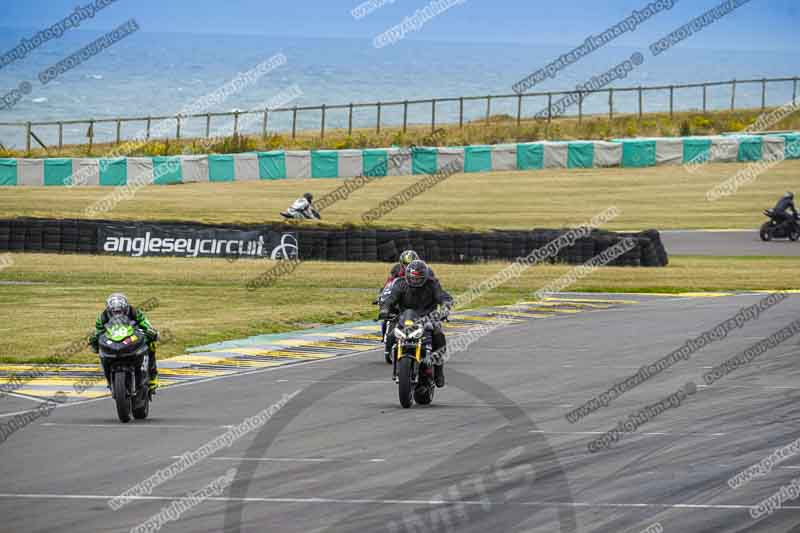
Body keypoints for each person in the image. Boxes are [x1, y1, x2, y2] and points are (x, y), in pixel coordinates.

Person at [379, 260, 452, 387]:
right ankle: (395, 360)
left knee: (438, 334)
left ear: (425, 277)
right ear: (407, 276)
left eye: (419, 278)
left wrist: (445, 307)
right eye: (413, 277)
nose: (415, 280)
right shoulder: (400, 284)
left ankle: (439, 370)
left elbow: (443, 296)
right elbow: (390, 298)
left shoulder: (432, 284)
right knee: (391, 335)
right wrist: (385, 309)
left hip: (428, 318)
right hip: (405, 318)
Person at [90, 293, 160, 392]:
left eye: (120, 309)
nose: (117, 312)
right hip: (113, 339)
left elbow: (145, 323)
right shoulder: (103, 316)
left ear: (125, 307)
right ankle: (109, 378)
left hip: (132, 337)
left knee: (151, 344)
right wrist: (94, 339)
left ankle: (152, 377)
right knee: (100, 348)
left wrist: (151, 331)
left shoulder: (134, 312)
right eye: (114, 310)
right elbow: (98, 331)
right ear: (109, 309)